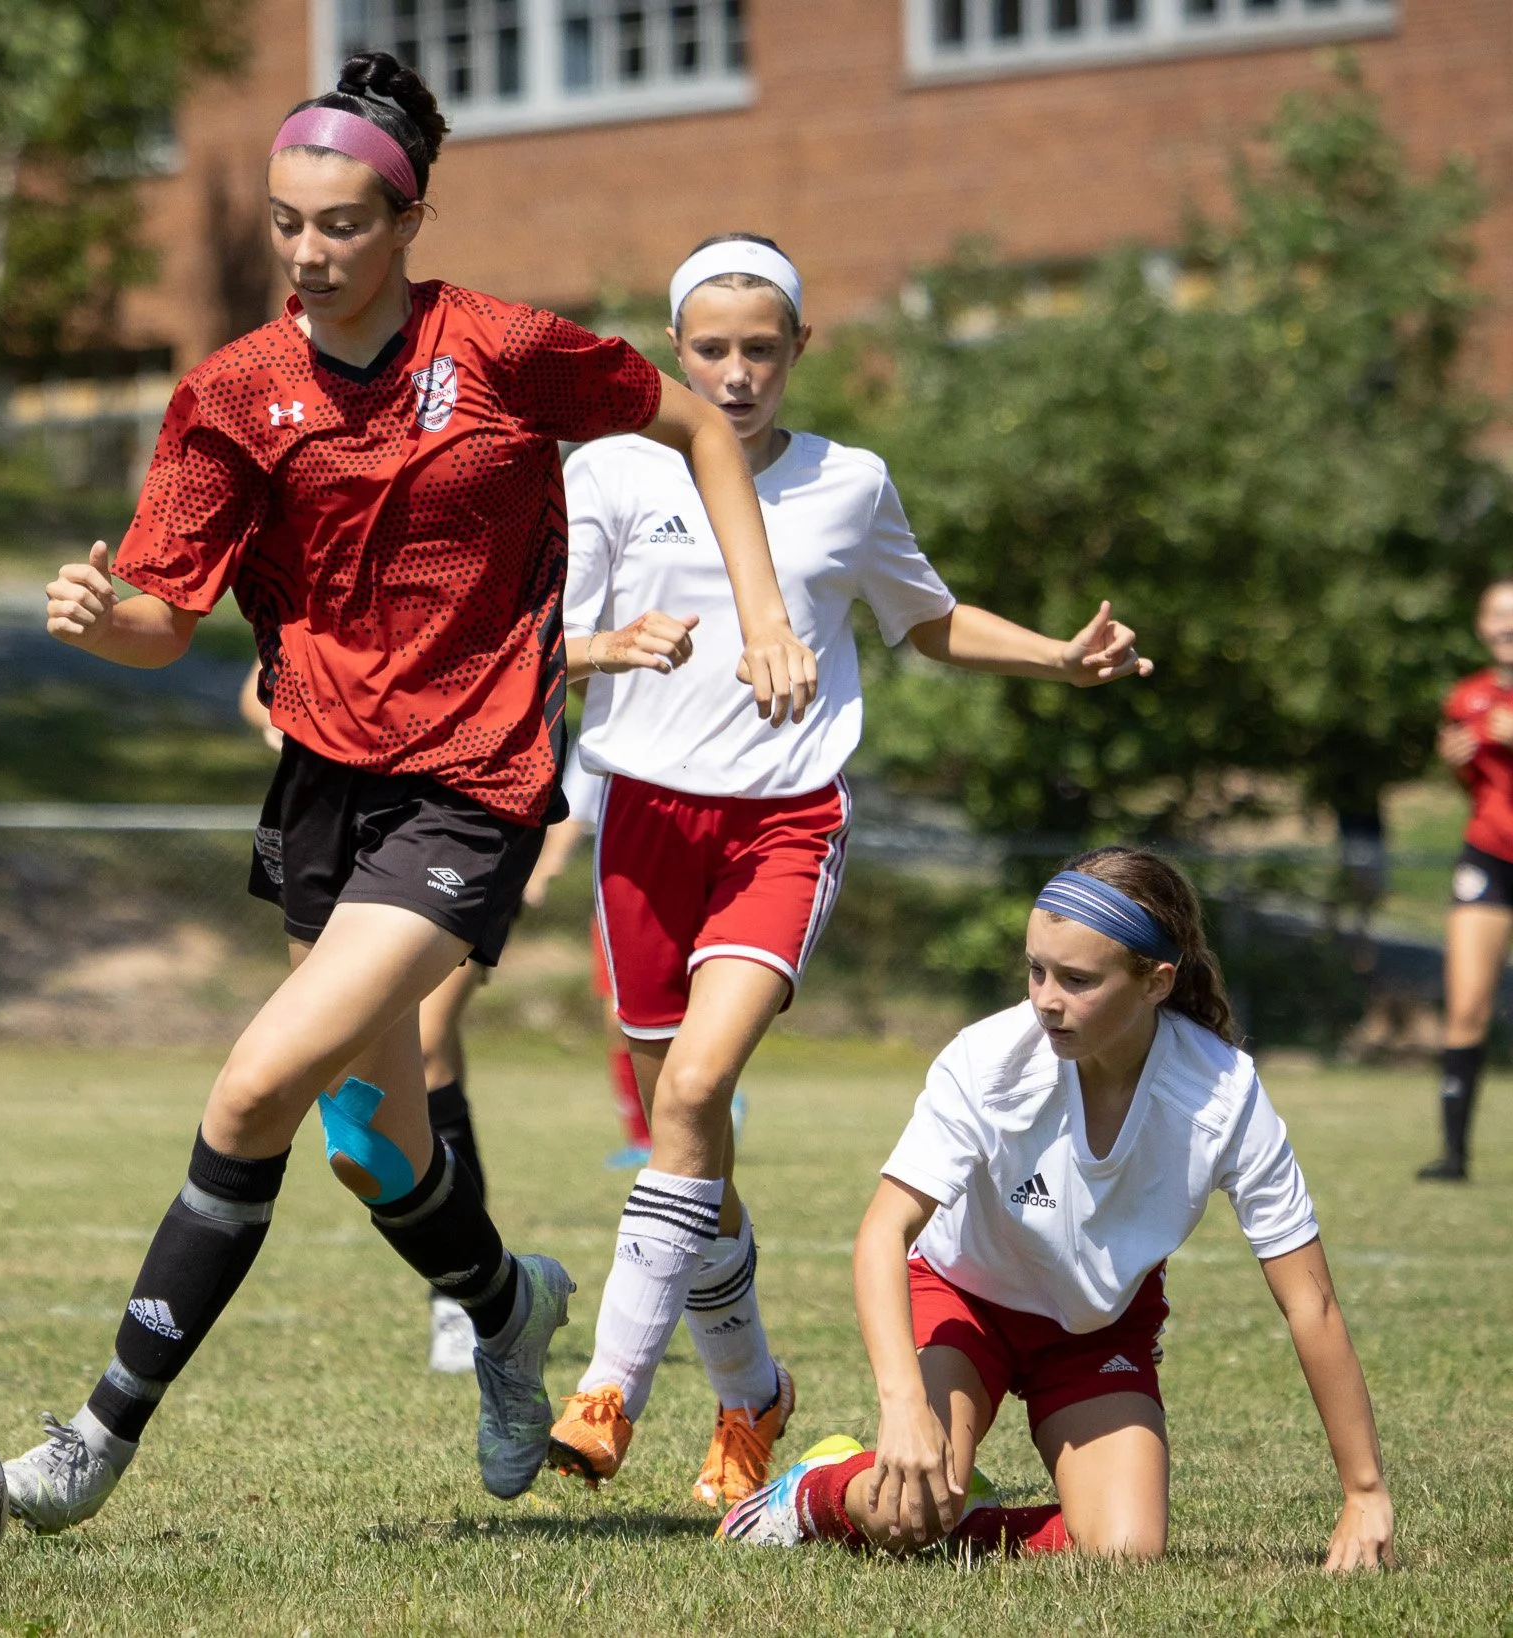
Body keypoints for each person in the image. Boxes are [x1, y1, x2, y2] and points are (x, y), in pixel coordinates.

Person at [7, 53, 822, 1532]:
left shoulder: (507, 350)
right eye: (286, 224)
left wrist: (763, 615)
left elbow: (701, 425)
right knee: (374, 1145)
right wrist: (95, 615)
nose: (309, 253)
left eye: (340, 225)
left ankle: (94, 1437)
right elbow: (162, 622)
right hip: (325, 787)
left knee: (253, 1089)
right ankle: (509, 1309)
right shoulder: (229, 394)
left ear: (406, 222)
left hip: (474, 785)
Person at [546, 234, 1152, 1512]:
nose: (735, 373)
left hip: (781, 823)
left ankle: (606, 1390)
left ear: (799, 350)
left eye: (760, 349)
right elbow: (542, 639)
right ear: (673, 350)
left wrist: (1056, 657)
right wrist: (611, 647)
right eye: (711, 349)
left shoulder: (848, 481)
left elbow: (925, 620)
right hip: (640, 824)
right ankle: (751, 1392)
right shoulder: (608, 467)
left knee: (694, 1089)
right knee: (686, 1134)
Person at [717, 847, 1397, 1575]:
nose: (1046, 999)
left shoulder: (1223, 1095)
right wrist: (904, 1404)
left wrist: (1365, 1493)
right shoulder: (989, 1060)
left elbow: (1311, 1301)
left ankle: (966, 1517)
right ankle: (809, 1493)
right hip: (962, 1301)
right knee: (903, 1511)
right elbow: (884, 1231)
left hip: (1096, 1329)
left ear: (1156, 982)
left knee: (1124, 1554)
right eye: (1036, 970)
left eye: (1077, 980)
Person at [242, 654, 489, 1375]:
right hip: (338, 817)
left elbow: (543, 666)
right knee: (357, 1137)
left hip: (459, 820)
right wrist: (301, 722)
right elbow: (258, 686)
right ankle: (489, 1282)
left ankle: (463, 1304)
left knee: (431, 1040)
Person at [1422, 578, 1513, 1182]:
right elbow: (1480, 787)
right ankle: (1454, 1157)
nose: (1508, 626)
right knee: (1466, 1005)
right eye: (1498, 615)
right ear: (1482, 626)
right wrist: (1454, 763)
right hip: (1489, 856)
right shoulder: (1468, 697)